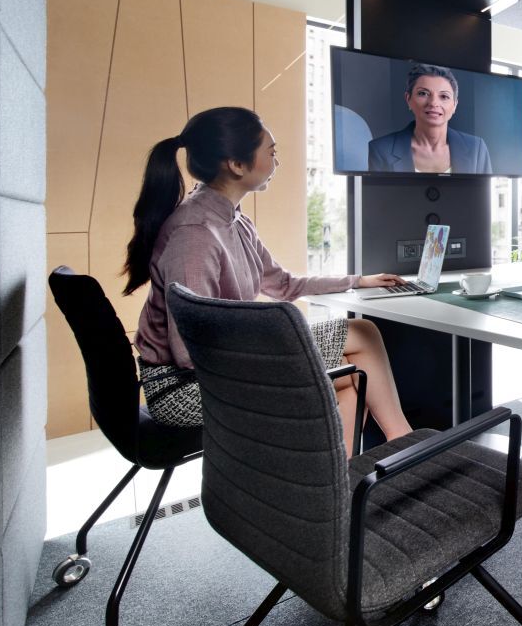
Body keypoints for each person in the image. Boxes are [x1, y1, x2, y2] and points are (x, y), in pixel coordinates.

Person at [124, 106, 414, 451]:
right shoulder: (195, 234)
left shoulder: (234, 220)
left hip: (220, 365)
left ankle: (355, 469)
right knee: (359, 344)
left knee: (354, 365)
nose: (278, 161)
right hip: (185, 388)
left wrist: (358, 281)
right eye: (271, 152)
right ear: (237, 164)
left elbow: (284, 284)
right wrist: (275, 344)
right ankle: (402, 442)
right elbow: (189, 352)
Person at [366, 62, 493, 174]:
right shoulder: (381, 150)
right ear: (408, 99)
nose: (433, 103)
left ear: (455, 105)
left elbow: (484, 194)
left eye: (444, 96)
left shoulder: (476, 148)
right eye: (423, 93)